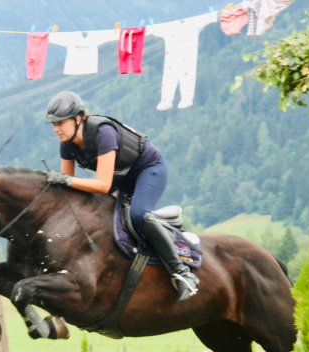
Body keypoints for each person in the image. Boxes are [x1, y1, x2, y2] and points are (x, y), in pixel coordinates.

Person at [44, 90, 199, 302]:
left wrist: (66, 180)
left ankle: (183, 274)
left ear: (78, 118)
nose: (56, 129)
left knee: (138, 215)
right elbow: (68, 190)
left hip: (149, 169)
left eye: (60, 123)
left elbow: (102, 184)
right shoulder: (67, 144)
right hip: (122, 177)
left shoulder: (103, 133)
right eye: (53, 124)